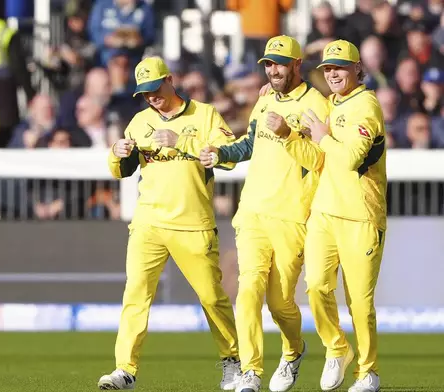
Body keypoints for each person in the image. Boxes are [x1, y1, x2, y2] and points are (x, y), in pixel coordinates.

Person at [99, 56, 241, 390]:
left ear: (170, 80)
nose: (151, 97)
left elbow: (229, 157)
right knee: (136, 293)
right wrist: (116, 153)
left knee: (211, 297)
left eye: (154, 88)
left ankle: (233, 361)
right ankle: (125, 369)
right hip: (149, 221)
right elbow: (121, 170)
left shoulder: (204, 114)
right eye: (144, 93)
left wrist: (183, 143)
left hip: (193, 223)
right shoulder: (138, 121)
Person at [200, 35, 329, 392]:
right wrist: (221, 155)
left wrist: (289, 133)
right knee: (248, 290)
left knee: (280, 303)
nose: (273, 71)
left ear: (297, 64)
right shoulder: (265, 99)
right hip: (253, 211)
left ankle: (294, 350)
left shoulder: (316, 104)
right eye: (268, 64)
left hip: (292, 216)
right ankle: (251, 371)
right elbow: (249, 144)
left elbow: (321, 160)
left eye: (280, 64)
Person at [299, 39, 387, 392]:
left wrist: (321, 136)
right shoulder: (332, 104)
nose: (333, 74)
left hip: (361, 217)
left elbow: (350, 159)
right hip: (324, 211)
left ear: (356, 69)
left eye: (339, 67)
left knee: (359, 303)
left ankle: (368, 373)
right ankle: (337, 347)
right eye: (328, 69)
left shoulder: (366, 106)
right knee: (316, 287)